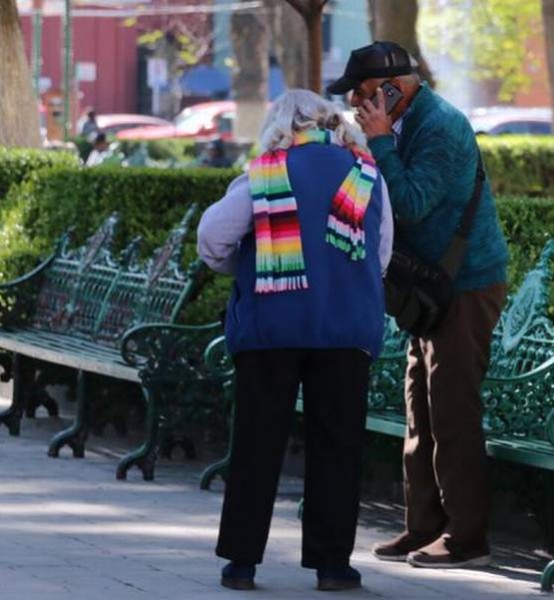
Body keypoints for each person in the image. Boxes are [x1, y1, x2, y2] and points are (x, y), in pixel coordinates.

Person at [197, 89, 393, 592]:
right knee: (338, 445)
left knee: (257, 444)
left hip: (271, 327)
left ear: (282, 124)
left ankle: (241, 562)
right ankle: (332, 567)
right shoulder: (367, 174)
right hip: (345, 329)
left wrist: (247, 266)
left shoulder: (264, 173)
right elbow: (381, 251)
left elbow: (213, 238)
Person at [328, 41, 509, 569]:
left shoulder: (440, 127)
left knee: (452, 409)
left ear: (393, 88)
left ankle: (467, 537)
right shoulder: (403, 123)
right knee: (420, 407)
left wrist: (378, 140)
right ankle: (424, 525)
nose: (358, 104)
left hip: (467, 284)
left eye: (363, 94)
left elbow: (409, 202)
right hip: (429, 287)